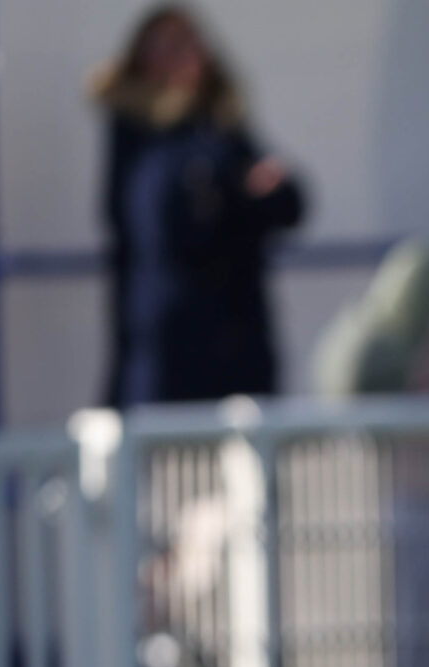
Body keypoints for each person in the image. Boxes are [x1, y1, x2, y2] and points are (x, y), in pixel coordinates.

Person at [92, 6, 305, 406]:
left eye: (188, 44)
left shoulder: (225, 128)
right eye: (166, 48)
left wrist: (231, 195)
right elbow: (165, 220)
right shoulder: (137, 136)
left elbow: (290, 202)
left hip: (239, 342)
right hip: (166, 352)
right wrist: (236, 192)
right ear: (143, 62)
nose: (183, 57)